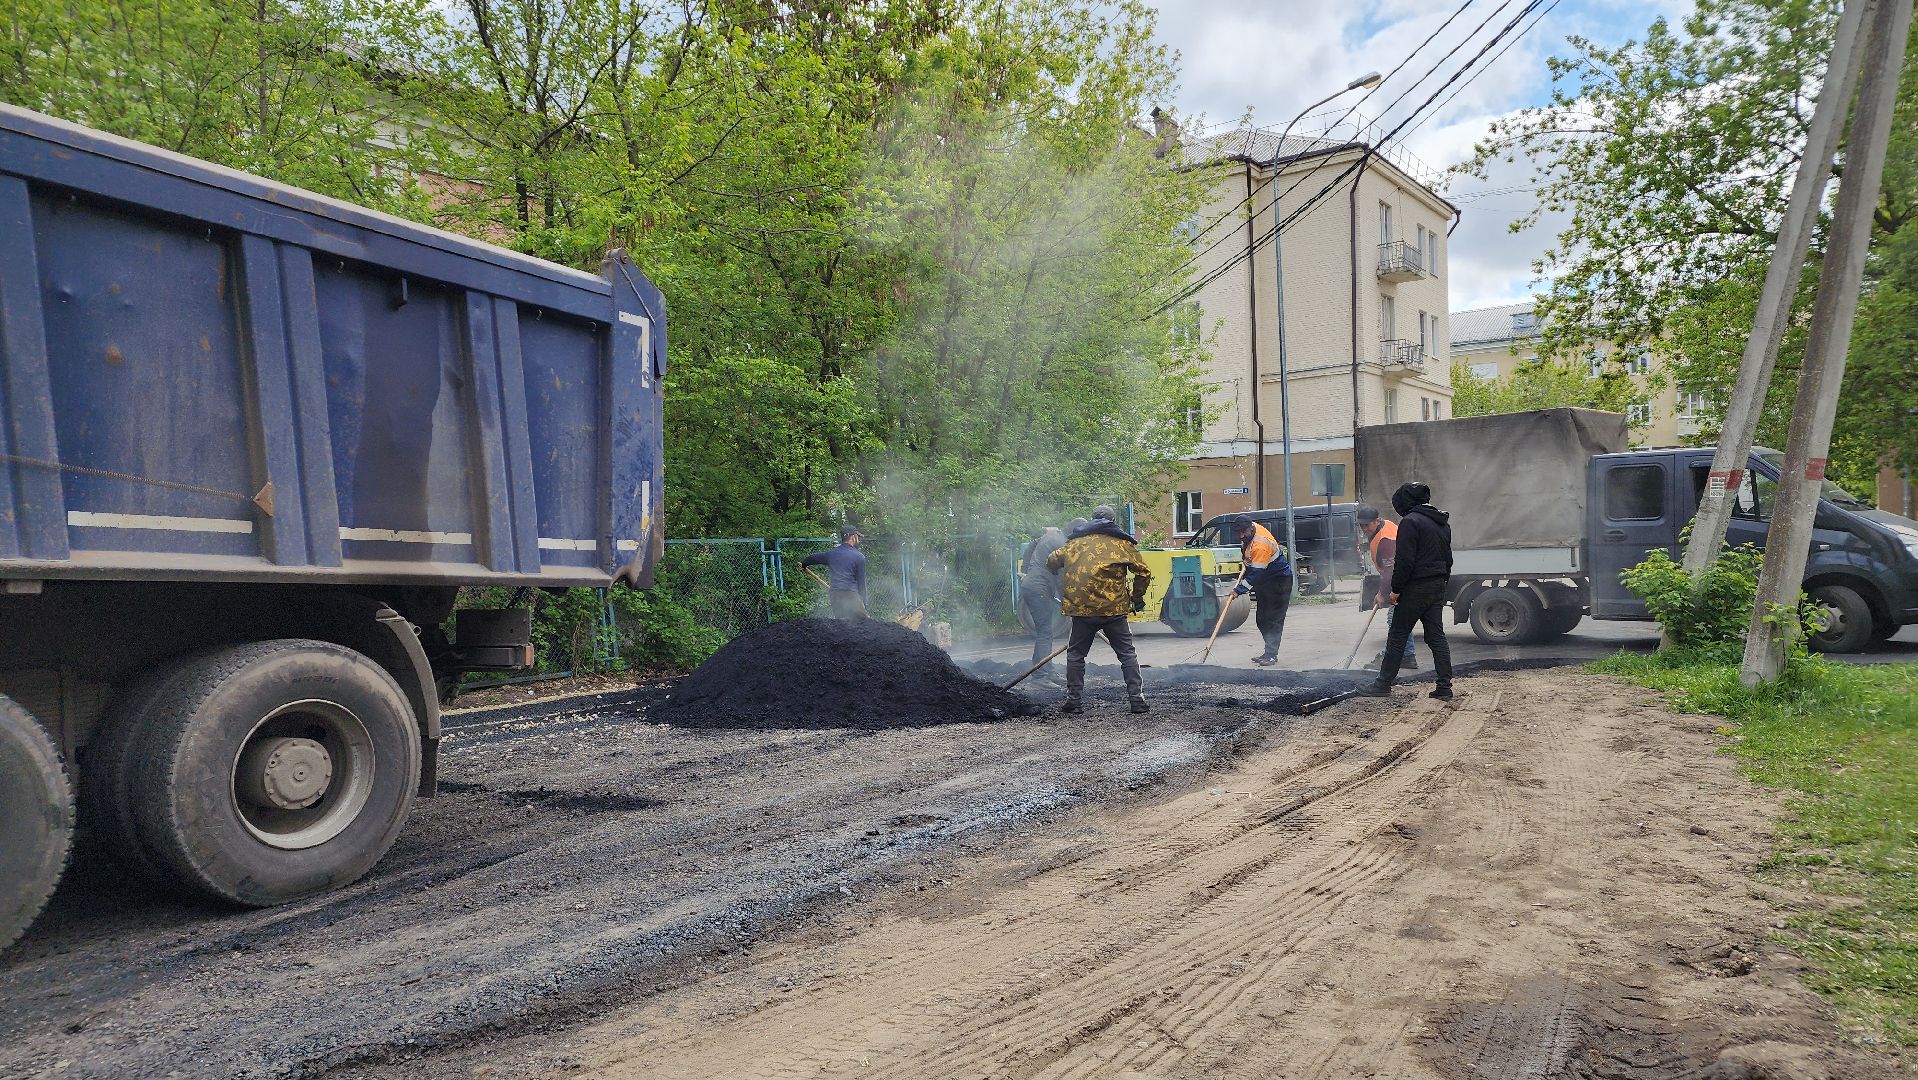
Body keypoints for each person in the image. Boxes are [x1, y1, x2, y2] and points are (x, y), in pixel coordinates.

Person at [1047, 506, 1152, 714]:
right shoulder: (1122, 544)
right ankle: (1137, 700)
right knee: (1126, 654)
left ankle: (1074, 701)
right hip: (1114, 611)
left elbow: (1051, 561)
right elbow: (1144, 572)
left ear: (1091, 519)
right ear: (1113, 521)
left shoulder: (1074, 544)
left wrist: (1057, 572)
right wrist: (1137, 598)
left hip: (1082, 611)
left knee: (1076, 655)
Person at [1356, 482, 1454, 699]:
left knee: (1397, 635)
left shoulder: (1410, 522)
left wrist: (1396, 590)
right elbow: (1448, 559)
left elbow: (1405, 561)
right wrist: (1442, 581)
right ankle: (1444, 687)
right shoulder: (1441, 522)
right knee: (1436, 637)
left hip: (1415, 587)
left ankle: (1382, 685)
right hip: (1437, 584)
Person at [1356, 504, 1417, 671]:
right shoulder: (1384, 526)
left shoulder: (1386, 539)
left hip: (1406, 580)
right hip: (1405, 578)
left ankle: (1396, 656)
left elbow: (1390, 572)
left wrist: (1382, 594)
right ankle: (1407, 656)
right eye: (1361, 526)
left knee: (1395, 618)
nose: (1364, 529)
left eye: (1367, 525)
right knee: (1399, 618)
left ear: (1376, 521)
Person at [1231, 514, 1293, 666]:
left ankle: (1271, 655)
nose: (1241, 536)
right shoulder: (1250, 531)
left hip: (1279, 581)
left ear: (1250, 528)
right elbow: (1253, 565)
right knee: (1262, 619)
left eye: (1243, 532)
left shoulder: (1260, 544)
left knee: (1273, 620)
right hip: (1266, 580)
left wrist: (1238, 590)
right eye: (1238, 533)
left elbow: (1256, 574)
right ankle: (1268, 652)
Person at [1018, 525, 1069, 665]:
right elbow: (1061, 579)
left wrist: (1025, 570)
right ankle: (1042, 673)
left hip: (1033, 586)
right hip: (1038, 589)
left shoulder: (1052, 536)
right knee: (1045, 632)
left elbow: (1031, 545)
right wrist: (1067, 603)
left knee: (1044, 632)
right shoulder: (1063, 545)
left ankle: (1043, 668)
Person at [801, 524, 868, 620]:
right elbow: (861, 583)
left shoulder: (832, 554)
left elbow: (812, 558)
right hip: (851, 595)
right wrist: (864, 603)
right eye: (857, 536)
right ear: (853, 537)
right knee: (864, 623)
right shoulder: (859, 557)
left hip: (835, 595)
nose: (858, 539)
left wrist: (804, 565)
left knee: (841, 623)